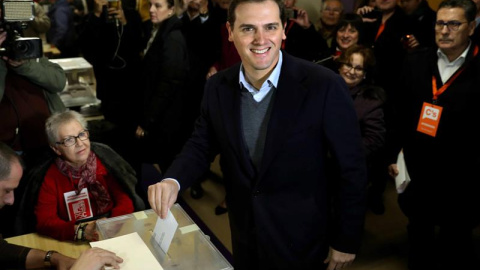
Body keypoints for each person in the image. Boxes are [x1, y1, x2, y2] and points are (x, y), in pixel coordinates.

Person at [148, 0, 367, 269]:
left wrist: (346, 239)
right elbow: (202, 143)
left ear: (284, 29)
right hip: (245, 233)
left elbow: (352, 168)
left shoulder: (324, 85)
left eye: (271, 27)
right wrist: (173, 179)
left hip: (304, 238)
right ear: (230, 31)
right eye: (248, 28)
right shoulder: (217, 86)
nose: (261, 39)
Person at [387, 0, 480, 269]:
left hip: (463, 175)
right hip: (420, 170)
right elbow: (398, 112)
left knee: (457, 241)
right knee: (419, 234)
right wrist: (393, 153)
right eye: (440, 23)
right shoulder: (416, 61)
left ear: (471, 27)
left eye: (454, 24)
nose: (445, 30)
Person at [16, 111, 144, 241]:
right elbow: (46, 222)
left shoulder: (104, 160)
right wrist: (81, 231)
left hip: (113, 227)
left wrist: (111, 224)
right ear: (56, 148)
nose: (79, 143)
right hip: (73, 236)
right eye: (69, 140)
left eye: (82, 134)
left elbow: (124, 198)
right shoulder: (50, 177)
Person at [0, 141, 122, 270]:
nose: (11, 201)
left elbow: (2, 251)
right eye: (7, 190)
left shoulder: (103, 165)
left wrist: (54, 258)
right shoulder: (50, 176)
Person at [135, 0, 190, 175]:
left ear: (171, 10)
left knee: (164, 168)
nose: (151, 10)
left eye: (158, 6)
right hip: (159, 115)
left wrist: (147, 121)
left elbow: (168, 83)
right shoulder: (160, 31)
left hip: (165, 118)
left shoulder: (173, 37)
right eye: (150, 5)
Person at [336, 45, 386, 215]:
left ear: (365, 73)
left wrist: (344, 153)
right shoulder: (326, 88)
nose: (351, 71)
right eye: (348, 65)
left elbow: (374, 139)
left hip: (348, 172)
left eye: (358, 68)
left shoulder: (370, 100)